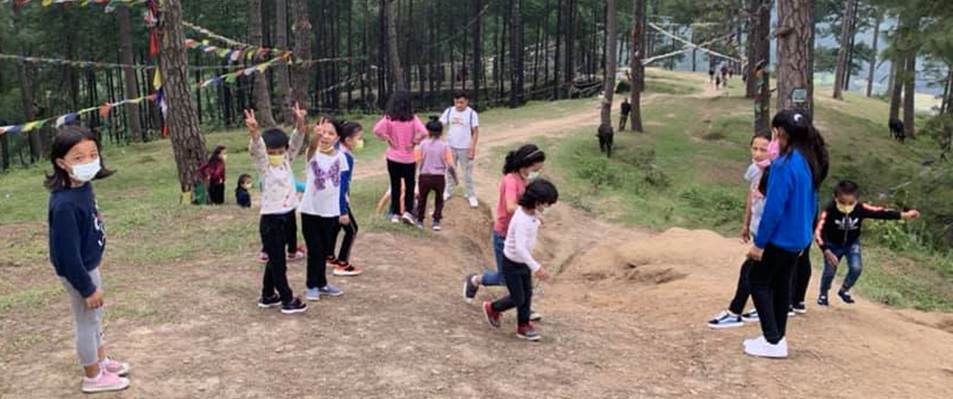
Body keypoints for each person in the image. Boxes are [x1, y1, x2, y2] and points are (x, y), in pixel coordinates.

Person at [46, 126, 131, 393]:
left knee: (95, 318)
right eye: (78, 157)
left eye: (92, 154)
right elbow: (66, 256)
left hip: (90, 264)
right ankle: (92, 376)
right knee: (85, 321)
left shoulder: (83, 187)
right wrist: (86, 287)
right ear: (62, 163)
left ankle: (101, 360)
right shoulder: (64, 205)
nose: (88, 162)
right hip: (79, 271)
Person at [745, 110, 829, 359]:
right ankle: (777, 337)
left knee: (757, 281)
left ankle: (772, 340)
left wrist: (759, 244)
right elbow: (812, 204)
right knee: (781, 286)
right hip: (797, 238)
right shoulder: (808, 160)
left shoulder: (783, 164)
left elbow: (774, 209)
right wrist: (806, 234)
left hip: (779, 239)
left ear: (781, 133)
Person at [463, 144, 546, 320]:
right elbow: (510, 207)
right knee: (504, 278)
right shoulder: (511, 180)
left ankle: (525, 308)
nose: (537, 171)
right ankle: (475, 280)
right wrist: (532, 213)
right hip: (504, 235)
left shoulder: (525, 180)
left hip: (518, 235)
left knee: (523, 274)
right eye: (535, 168)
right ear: (526, 164)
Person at [245, 106, 309, 315]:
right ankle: (287, 299)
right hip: (271, 220)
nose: (276, 155)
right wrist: (255, 132)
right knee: (279, 262)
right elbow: (258, 149)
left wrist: (300, 122)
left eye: (280, 152)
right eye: (273, 153)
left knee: (276, 258)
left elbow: (297, 141)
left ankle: (268, 294)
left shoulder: (286, 162)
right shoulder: (265, 166)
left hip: (287, 215)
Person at [815, 180, 920, 306]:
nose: (847, 205)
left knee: (856, 268)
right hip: (832, 245)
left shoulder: (860, 208)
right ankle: (823, 294)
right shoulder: (829, 210)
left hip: (851, 243)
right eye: (843, 202)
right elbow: (818, 232)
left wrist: (904, 215)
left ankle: (844, 290)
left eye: (850, 202)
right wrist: (825, 249)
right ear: (835, 197)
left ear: (856, 199)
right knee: (830, 271)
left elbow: (881, 213)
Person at [482, 179, 559, 341]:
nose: (547, 208)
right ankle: (492, 307)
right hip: (512, 263)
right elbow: (520, 248)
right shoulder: (522, 219)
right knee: (518, 298)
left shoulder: (529, 212)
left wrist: (537, 219)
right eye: (546, 204)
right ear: (537, 202)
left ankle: (523, 325)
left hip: (523, 262)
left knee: (527, 294)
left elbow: (531, 219)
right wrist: (536, 267)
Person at [708, 133, 771, 329]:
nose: (758, 153)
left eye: (763, 149)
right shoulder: (754, 170)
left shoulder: (775, 173)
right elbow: (751, 197)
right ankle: (764, 310)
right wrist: (746, 223)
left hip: (768, 233)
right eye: (755, 148)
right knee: (763, 274)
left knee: (750, 270)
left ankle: (735, 312)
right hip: (757, 228)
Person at [300, 117, 350, 300]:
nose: (326, 136)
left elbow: (343, 185)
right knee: (314, 248)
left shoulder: (341, 157)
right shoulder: (312, 153)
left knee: (324, 249)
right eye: (324, 133)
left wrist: (343, 209)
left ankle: (322, 283)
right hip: (310, 210)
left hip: (330, 211)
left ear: (337, 138)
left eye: (331, 133)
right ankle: (311, 285)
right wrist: (315, 136)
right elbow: (312, 146)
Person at [374, 91, 428, 225]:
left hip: (392, 157)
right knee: (410, 186)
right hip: (409, 159)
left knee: (395, 185)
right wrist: (414, 142)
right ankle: (408, 212)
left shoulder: (388, 118)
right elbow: (424, 132)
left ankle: (395, 214)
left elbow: (376, 130)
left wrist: (387, 138)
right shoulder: (413, 118)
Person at [330, 121, 365, 277]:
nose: (360, 141)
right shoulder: (345, 157)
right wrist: (343, 208)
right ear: (348, 140)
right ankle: (342, 263)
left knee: (335, 227)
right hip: (339, 200)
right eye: (358, 138)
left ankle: (329, 256)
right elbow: (342, 183)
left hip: (332, 199)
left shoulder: (337, 150)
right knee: (351, 229)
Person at [416, 116, 458, 231]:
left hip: (424, 176)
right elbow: (450, 165)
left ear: (427, 131)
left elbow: (417, 162)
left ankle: (420, 220)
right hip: (439, 177)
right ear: (441, 132)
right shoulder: (445, 146)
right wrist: (455, 178)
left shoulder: (422, 144)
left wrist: (415, 179)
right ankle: (436, 221)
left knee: (422, 199)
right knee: (439, 199)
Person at [440, 90, 480, 208]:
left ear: (467, 101)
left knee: (467, 172)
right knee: (450, 170)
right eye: (457, 102)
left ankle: (470, 194)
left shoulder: (472, 114)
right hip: (450, 146)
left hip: (465, 147)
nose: (459, 105)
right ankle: (448, 191)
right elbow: (440, 124)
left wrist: (472, 148)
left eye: (461, 103)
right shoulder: (449, 111)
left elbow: (475, 132)